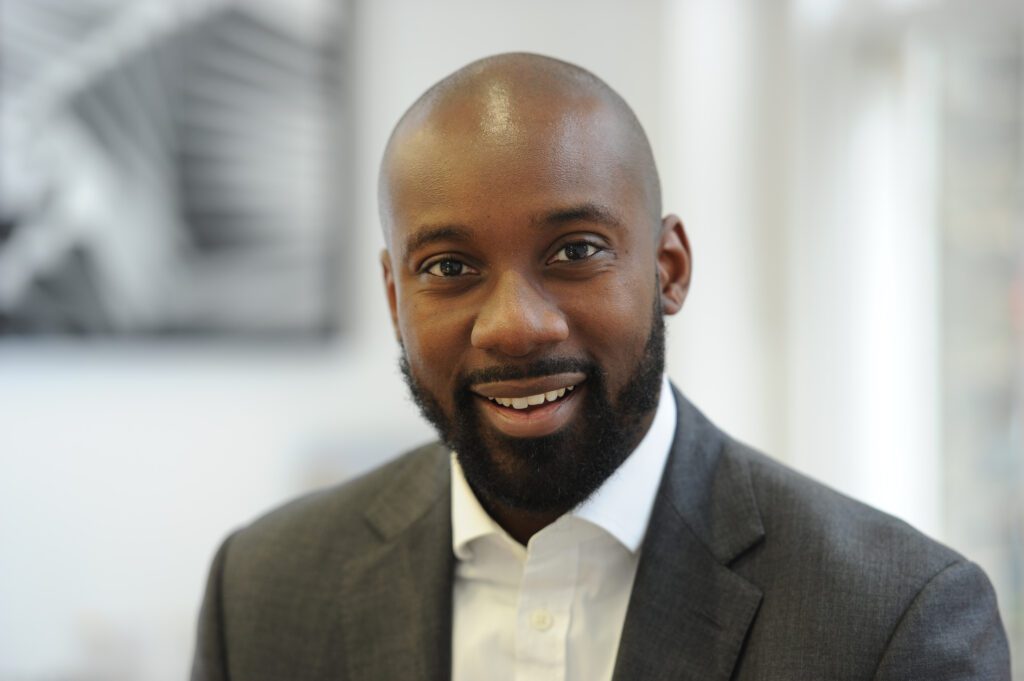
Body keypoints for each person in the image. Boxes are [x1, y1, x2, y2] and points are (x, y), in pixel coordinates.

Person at [191, 53, 1011, 681]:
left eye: (576, 251)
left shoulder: (895, 620)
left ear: (670, 267)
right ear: (393, 296)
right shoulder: (262, 592)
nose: (515, 324)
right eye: (448, 267)